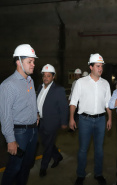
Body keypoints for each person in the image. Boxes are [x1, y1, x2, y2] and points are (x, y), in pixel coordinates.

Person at [69, 53, 112, 185]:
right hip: (84, 120)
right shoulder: (80, 82)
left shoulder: (105, 84)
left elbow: (108, 103)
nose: (100, 69)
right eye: (98, 66)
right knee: (83, 149)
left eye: (101, 66)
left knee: (99, 149)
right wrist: (71, 118)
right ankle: (80, 175)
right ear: (91, 67)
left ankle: (98, 174)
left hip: (100, 120)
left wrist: (110, 118)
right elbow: (73, 102)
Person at [0, 44, 39, 185]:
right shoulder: (8, 85)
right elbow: (5, 115)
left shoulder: (30, 80)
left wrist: (36, 114)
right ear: (18, 62)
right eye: (30, 61)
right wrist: (10, 140)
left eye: (33, 61)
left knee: (26, 166)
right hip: (19, 133)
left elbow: (30, 101)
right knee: (14, 167)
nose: (33, 64)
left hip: (33, 130)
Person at [37, 64, 69, 177]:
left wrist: (64, 122)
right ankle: (57, 156)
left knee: (47, 145)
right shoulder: (40, 87)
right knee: (46, 143)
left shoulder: (58, 90)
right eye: (44, 75)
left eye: (48, 76)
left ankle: (43, 167)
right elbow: (39, 103)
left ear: (53, 77)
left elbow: (64, 107)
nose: (46, 78)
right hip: (39, 121)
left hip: (51, 122)